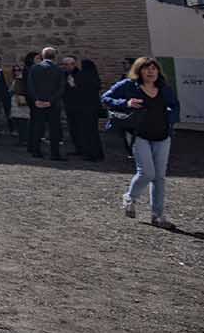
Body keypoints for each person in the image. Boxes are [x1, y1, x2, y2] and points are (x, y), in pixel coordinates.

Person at [103, 57, 179, 227]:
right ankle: (130, 197)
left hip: (162, 136)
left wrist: (170, 119)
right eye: (147, 68)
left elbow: (175, 105)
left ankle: (158, 215)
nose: (151, 71)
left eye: (154, 68)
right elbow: (106, 98)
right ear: (139, 70)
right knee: (147, 173)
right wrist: (126, 102)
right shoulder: (129, 85)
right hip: (139, 135)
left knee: (159, 177)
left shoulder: (164, 89)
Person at [27, 46, 67, 161]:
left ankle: (36, 151)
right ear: (54, 57)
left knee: (38, 127)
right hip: (53, 104)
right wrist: (51, 101)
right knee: (54, 129)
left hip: (38, 104)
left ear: (42, 56)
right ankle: (55, 153)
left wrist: (36, 100)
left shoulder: (34, 68)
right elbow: (61, 88)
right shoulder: (58, 70)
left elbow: (30, 86)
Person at [64, 57, 104, 161]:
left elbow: (76, 89)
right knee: (93, 132)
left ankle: (90, 153)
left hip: (84, 108)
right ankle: (96, 153)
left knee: (87, 132)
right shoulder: (94, 76)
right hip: (93, 108)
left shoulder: (82, 76)